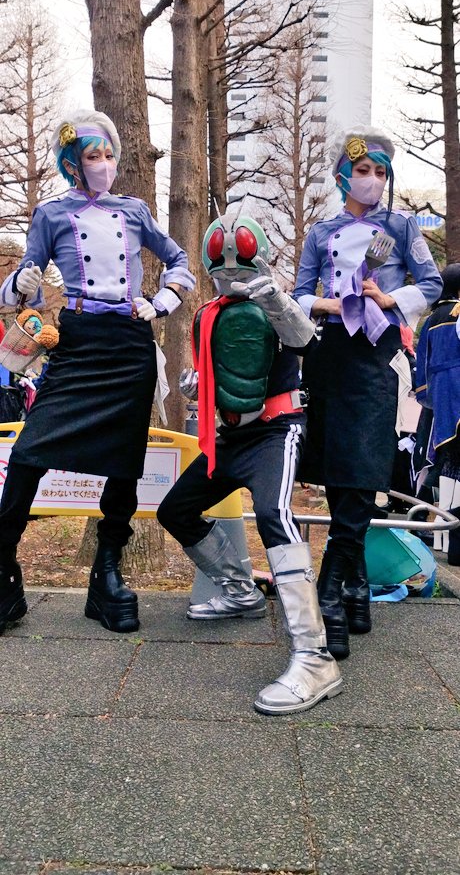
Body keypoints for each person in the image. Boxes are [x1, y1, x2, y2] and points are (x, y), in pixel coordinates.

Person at [0, 109, 195, 635]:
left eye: (109, 154)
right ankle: (3, 565)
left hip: (130, 342)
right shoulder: (50, 214)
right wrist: (21, 286)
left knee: (125, 462)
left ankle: (106, 574)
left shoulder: (134, 210)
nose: (105, 163)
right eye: (93, 156)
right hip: (79, 339)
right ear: (72, 164)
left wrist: (161, 302)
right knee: (29, 451)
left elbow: (181, 262)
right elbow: (18, 292)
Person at [157, 209, 342, 716]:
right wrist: (199, 385)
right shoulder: (207, 314)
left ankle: (315, 656)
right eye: (223, 263)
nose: (231, 270)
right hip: (229, 435)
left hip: (277, 430)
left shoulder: (276, 303)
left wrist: (275, 300)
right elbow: (213, 369)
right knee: (175, 510)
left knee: (274, 515)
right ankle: (240, 590)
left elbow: (305, 342)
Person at [293, 128, 442, 659]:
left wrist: (388, 297)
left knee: (362, 472)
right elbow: (298, 294)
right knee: (339, 476)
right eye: (363, 171)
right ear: (342, 176)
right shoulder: (321, 233)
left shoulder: (401, 227)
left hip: (377, 357)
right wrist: (331, 304)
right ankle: (356, 591)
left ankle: (330, 593)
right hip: (329, 356)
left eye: (381, 172)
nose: (372, 180)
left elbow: (431, 284)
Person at [415, 263, 460, 566]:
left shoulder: (431, 318)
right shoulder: (458, 313)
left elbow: (422, 363)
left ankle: (439, 532)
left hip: (440, 394)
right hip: (458, 385)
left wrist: (427, 396)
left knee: (445, 460)